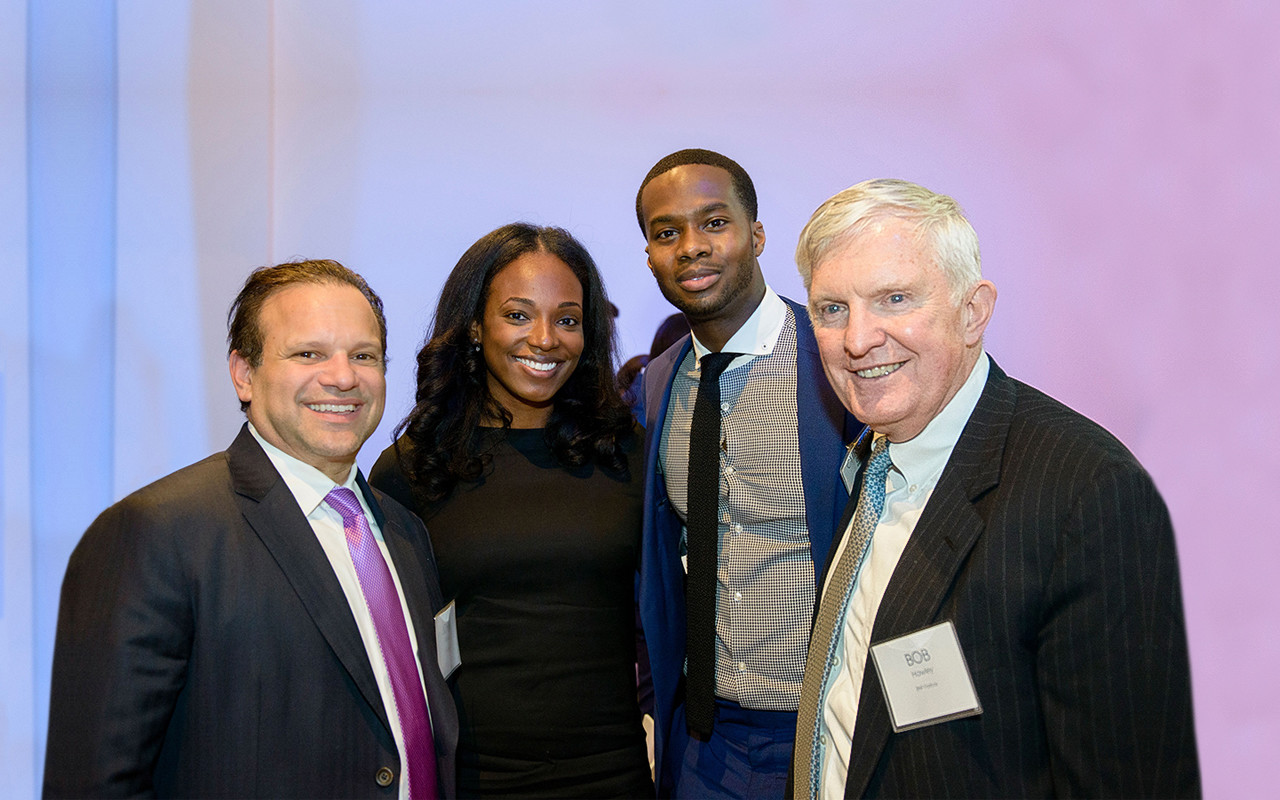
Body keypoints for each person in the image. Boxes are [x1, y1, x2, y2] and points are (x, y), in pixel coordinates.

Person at [791, 179, 1200, 798]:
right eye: (832, 309)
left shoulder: (1088, 494)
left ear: (973, 311)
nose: (857, 339)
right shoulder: (872, 461)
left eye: (895, 299)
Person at [44, 260, 458, 799]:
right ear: (243, 372)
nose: (342, 376)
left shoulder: (404, 531)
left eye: (364, 355)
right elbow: (96, 782)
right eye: (308, 353)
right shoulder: (155, 532)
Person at [369, 223, 652, 798]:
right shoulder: (413, 468)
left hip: (612, 774)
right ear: (475, 325)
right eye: (519, 315)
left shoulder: (626, 454)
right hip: (472, 778)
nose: (545, 339)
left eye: (568, 319)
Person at [633, 149, 860, 798]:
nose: (691, 248)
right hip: (706, 744)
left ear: (756, 236)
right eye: (667, 232)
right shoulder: (659, 382)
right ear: (649, 253)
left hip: (826, 730)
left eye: (714, 223)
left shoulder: (836, 358)